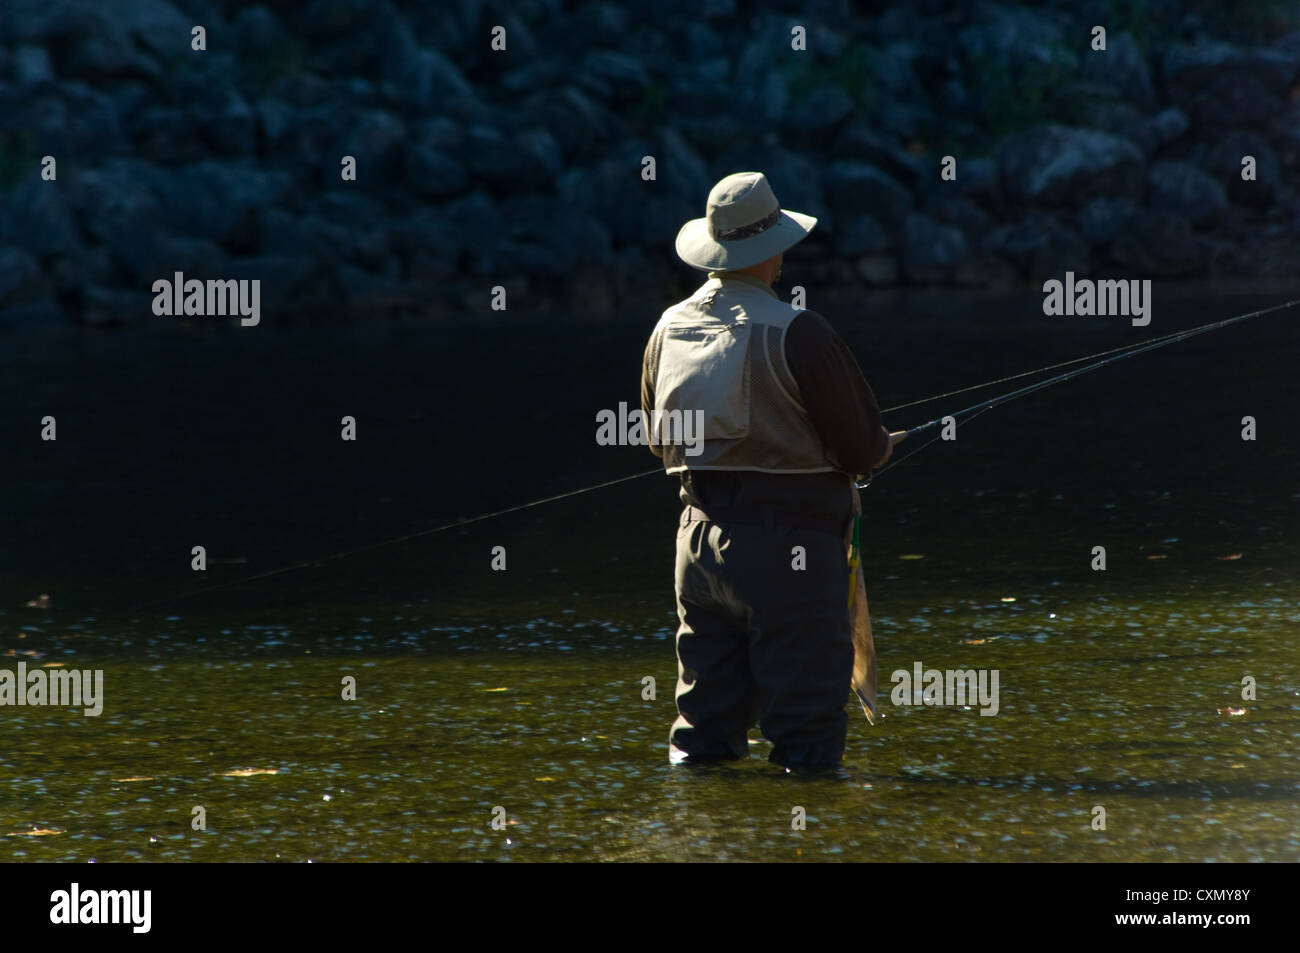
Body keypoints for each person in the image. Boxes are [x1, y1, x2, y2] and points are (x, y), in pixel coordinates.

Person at [640, 171, 905, 770]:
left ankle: (703, 834)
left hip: (697, 548)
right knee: (806, 735)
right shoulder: (799, 331)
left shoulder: (666, 329)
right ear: (774, 250)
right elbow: (861, 451)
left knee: (703, 727)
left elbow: (661, 445)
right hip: (792, 554)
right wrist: (883, 445)